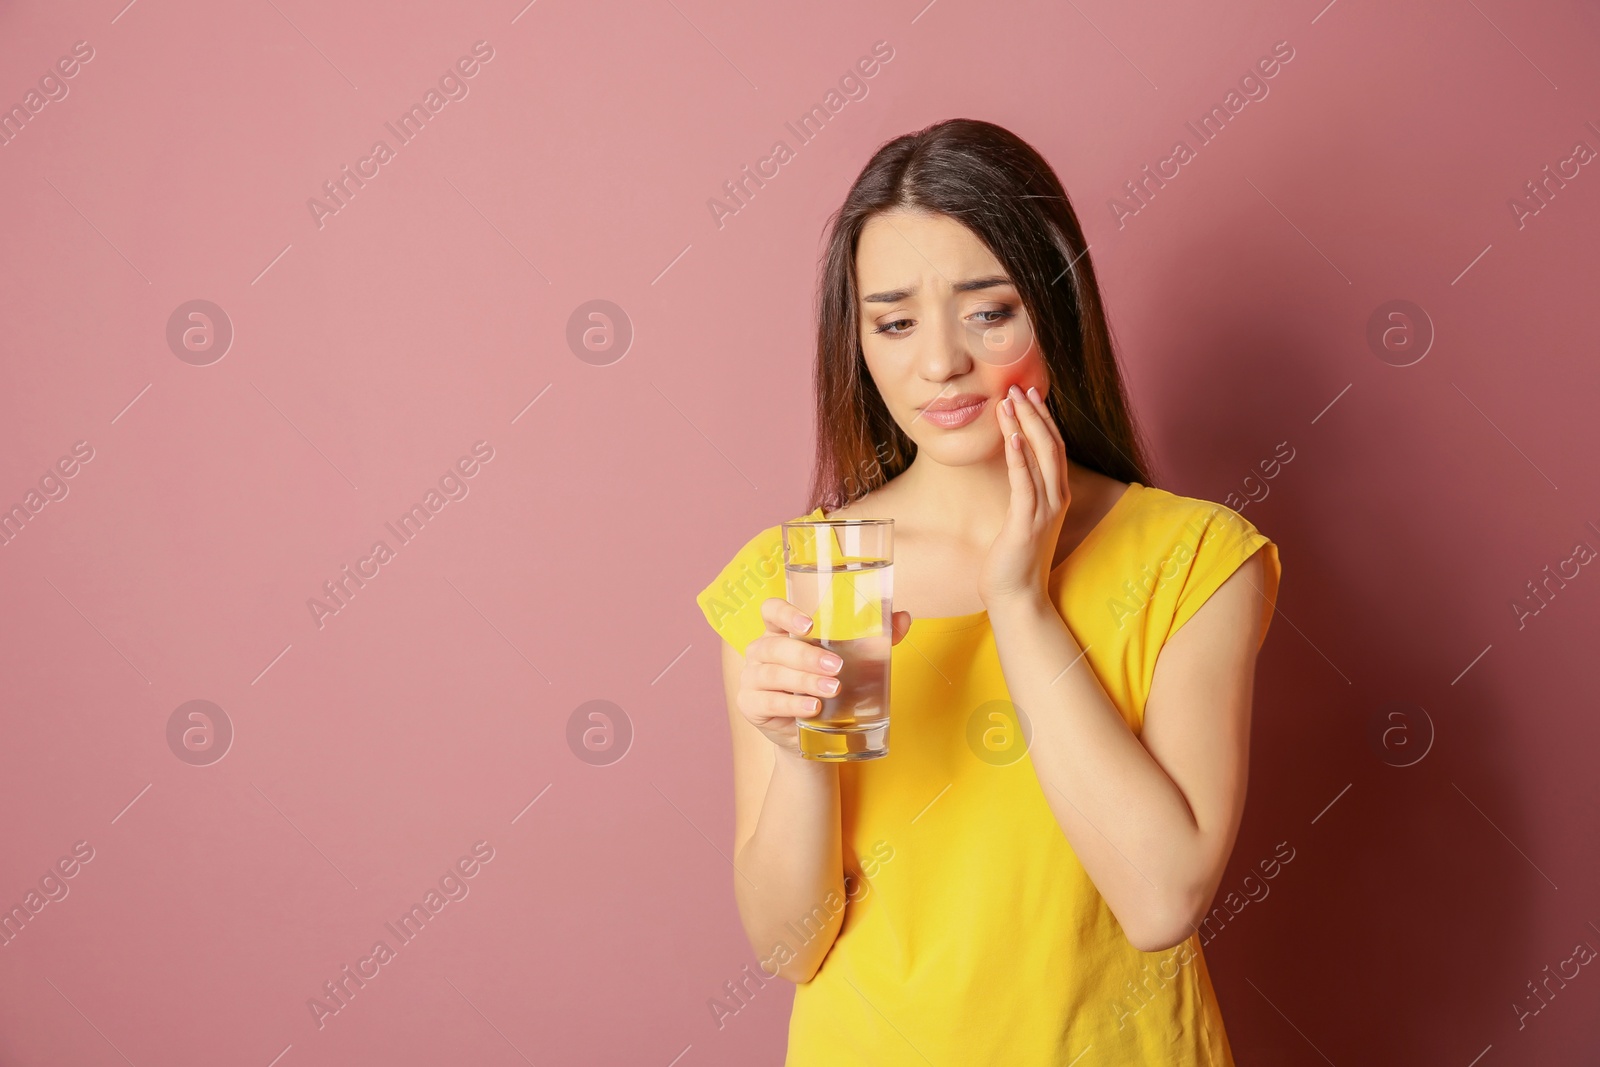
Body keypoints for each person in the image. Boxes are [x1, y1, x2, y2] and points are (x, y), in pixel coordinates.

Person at [694, 117, 1282, 1066]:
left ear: (1057, 310)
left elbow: (1162, 899)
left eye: (989, 310)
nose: (939, 364)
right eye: (894, 321)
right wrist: (801, 752)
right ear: (860, 343)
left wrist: (1021, 599)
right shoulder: (807, 576)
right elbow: (788, 945)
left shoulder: (1193, 560)